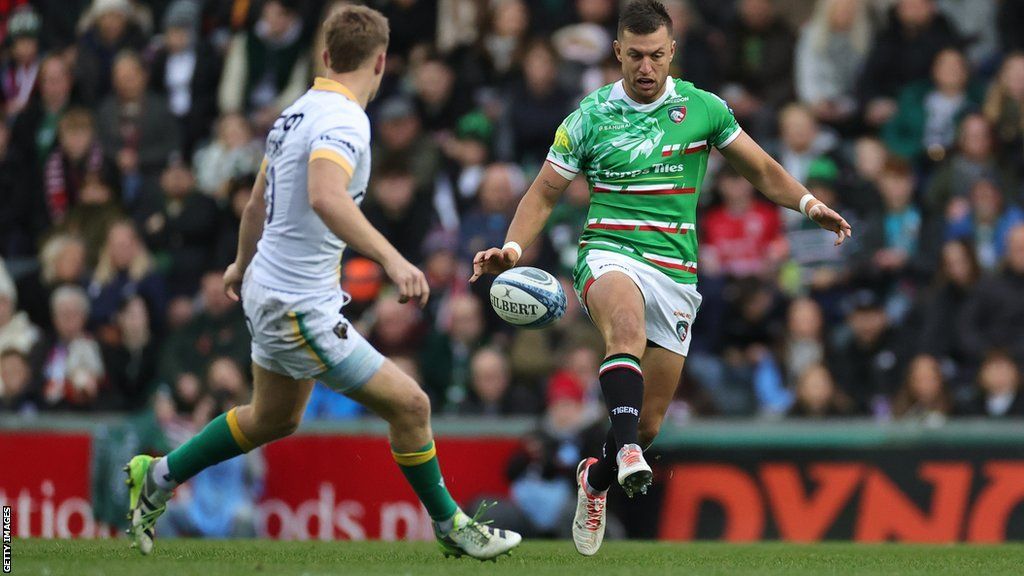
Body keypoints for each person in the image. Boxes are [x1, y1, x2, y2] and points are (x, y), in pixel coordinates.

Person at [124, 6, 521, 560]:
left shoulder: (293, 114)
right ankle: (453, 526)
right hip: (296, 304)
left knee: (274, 417)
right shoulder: (345, 119)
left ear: (326, 56)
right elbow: (324, 195)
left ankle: (158, 474)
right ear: (381, 61)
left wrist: (241, 263)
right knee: (411, 406)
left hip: (269, 286)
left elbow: (257, 204)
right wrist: (393, 260)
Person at [469, 0, 852, 556]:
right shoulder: (588, 116)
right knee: (622, 329)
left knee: (646, 425)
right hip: (608, 252)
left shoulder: (704, 109)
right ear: (617, 53)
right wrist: (512, 246)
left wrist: (809, 204)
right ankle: (625, 458)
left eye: (656, 56)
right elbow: (545, 192)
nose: (646, 68)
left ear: (671, 52)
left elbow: (763, 170)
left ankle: (597, 477)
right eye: (635, 57)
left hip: (675, 271)